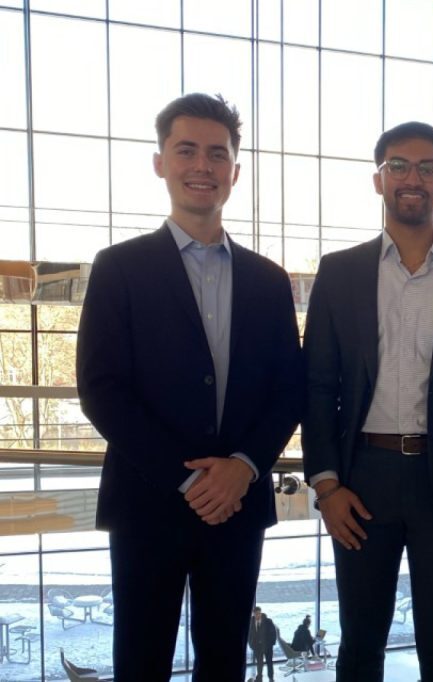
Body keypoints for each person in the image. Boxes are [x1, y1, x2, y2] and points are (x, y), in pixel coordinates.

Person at [76, 93, 304, 681]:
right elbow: (101, 390)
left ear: (235, 170)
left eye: (216, 153)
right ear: (161, 163)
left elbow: (288, 389)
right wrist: (191, 478)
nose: (202, 165)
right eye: (186, 150)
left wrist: (245, 466)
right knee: (142, 660)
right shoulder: (118, 267)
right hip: (148, 503)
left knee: (225, 660)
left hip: (237, 505)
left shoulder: (270, 281)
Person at [302, 121, 433, 681]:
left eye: (427, 167)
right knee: (361, 644)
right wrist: (327, 487)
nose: (412, 178)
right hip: (361, 481)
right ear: (379, 179)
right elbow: (319, 387)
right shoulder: (339, 273)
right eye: (398, 165)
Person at [248, 607, 277, 681]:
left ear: (260, 613)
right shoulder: (251, 622)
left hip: (267, 646)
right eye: (256, 614)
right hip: (257, 647)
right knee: (259, 664)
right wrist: (251, 644)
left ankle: (271, 677)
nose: (257, 615)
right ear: (253, 614)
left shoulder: (268, 621)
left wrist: (271, 643)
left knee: (269, 662)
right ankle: (259, 678)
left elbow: (273, 632)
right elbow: (249, 634)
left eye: (259, 613)